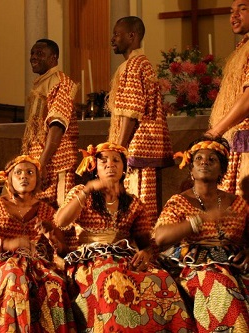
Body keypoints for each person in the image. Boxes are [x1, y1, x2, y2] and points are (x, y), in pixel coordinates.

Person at [55, 142, 194, 332]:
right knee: (111, 277)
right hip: (89, 261)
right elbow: (61, 221)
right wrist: (87, 189)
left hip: (123, 258)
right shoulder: (82, 194)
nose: (110, 165)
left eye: (116, 161)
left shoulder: (134, 203)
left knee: (162, 279)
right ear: (95, 168)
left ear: (124, 168)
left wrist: (145, 255)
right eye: (103, 161)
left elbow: (146, 244)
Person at [0, 155, 75, 332]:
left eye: (30, 172)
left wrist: (52, 237)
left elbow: (62, 250)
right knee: (13, 276)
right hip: (1, 263)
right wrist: (8, 244)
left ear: (37, 179)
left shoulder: (46, 210)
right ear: (9, 179)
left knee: (54, 284)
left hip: (35, 264)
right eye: (18, 173)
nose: (23, 176)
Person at [155, 137, 249, 332]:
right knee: (217, 283)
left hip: (234, 264)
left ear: (222, 170)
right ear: (190, 169)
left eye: (212, 159)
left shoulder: (238, 203)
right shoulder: (179, 201)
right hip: (194, 266)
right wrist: (201, 219)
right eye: (198, 159)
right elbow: (161, 237)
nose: (204, 162)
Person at [107, 16, 174, 223]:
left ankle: (142, 250)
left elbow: (131, 112)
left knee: (139, 208)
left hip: (138, 148)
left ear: (132, 36)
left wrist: (117, 151)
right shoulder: (139, 63)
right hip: (144, 148)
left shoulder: (134, 66)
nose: (113, 39)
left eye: (117, 34)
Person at [22, 39, 79, 209]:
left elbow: (57, 125)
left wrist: (43, 163)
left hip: (56, 162)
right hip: (39, 160)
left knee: (59, 212)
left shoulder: (60, 82)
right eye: (32, 53)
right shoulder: (42, 82)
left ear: (54, 58)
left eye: (40, 54)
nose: (33, 57)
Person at [206, 0, 249, 200]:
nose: (234, 16)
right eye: (232, 11)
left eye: (242, 9)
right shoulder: (242, 48)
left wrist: (216, 131)